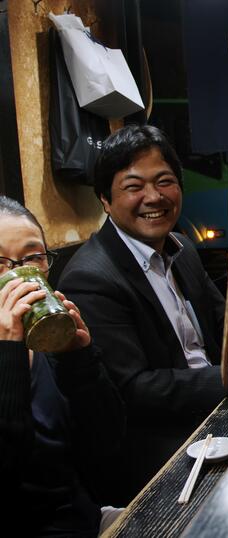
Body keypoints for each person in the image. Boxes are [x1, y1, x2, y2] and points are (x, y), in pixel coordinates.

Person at [58, 124, 228, 501]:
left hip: (214, 414)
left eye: (164, 181)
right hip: (159, 448)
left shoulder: (181, 247)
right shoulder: (90, 278)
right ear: (105, 199)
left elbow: (225, 323)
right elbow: (136, 390)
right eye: (133, 187)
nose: (153, 197)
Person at [0, 196, 124, 535]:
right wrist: (7, 349)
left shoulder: (46, 345)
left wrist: (79, 359)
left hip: (88, 520)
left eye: (33, 258)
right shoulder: (11, 346)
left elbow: (107, 444)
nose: (18, 277)